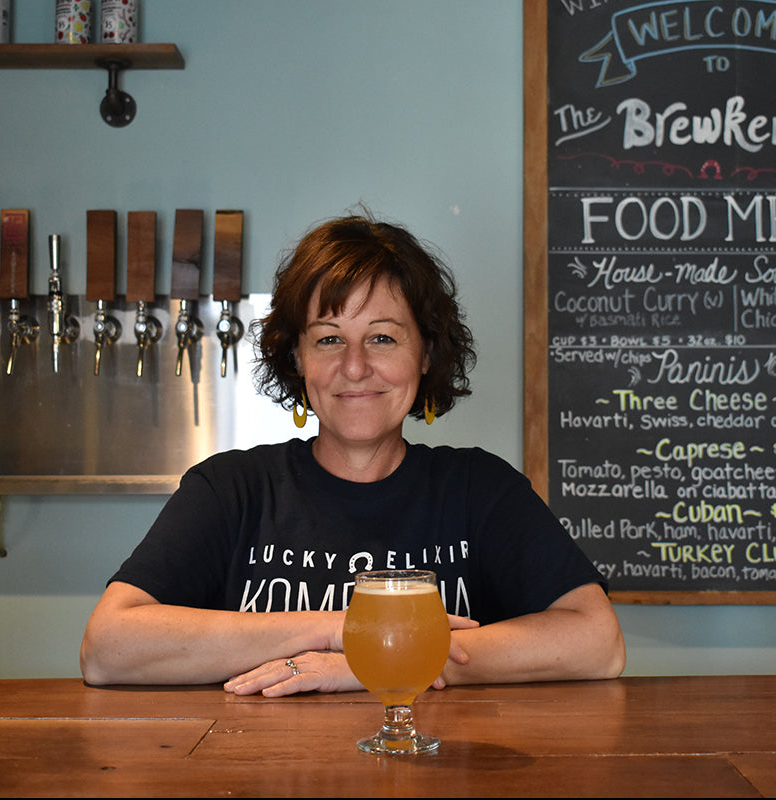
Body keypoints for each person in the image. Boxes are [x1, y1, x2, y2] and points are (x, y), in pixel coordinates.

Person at [80, 211, 625, 695]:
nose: (356, 366)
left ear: (427, 353)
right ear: (297, 356)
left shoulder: (479, 489)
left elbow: (598, 642)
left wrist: (386, 663)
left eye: (383, 338)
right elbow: (107, 649)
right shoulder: (231, 489)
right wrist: (336, 629)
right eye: (329, 338)